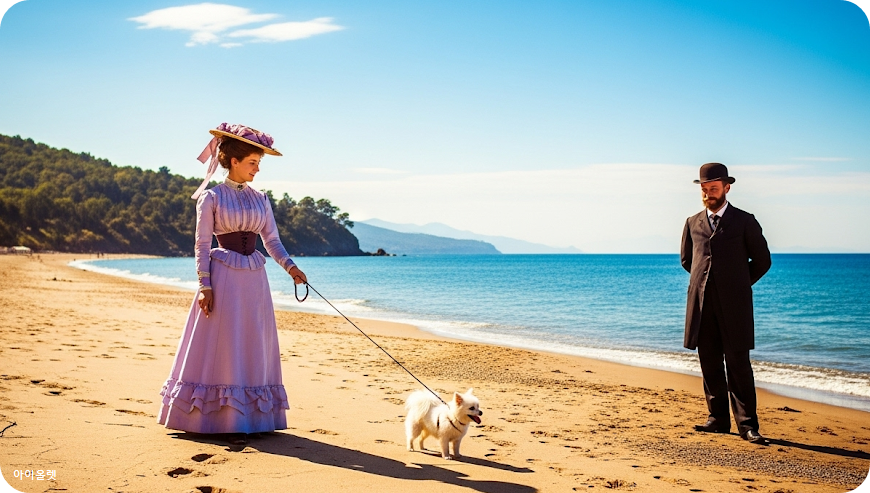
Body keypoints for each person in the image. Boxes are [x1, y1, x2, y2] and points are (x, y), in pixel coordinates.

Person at [158, 123, 307, 445]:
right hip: (223, 276)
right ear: (234, 161)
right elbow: (200, 245)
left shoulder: (261, 199)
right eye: (252, 162)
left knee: (254, 343)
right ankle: (215, 418)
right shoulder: (211, 197)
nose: (257, 169)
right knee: (224, 346)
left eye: (259, 164)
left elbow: (272, 241)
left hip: (255, 279)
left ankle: (254, 417)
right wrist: (204, 285)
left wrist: (292, 268)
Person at [680, 163, 771, 445]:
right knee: (709, 362)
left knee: (738, 365)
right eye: (705, 189)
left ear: (726, 188)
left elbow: (763, 261)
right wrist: (706, 284)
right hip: (702, 304)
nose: (708, 193)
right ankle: (717, 420)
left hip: (735, 307)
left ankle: (747, 425)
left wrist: (738, 285)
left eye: (713, 189)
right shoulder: (692, 222)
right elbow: (687, 261)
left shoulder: (745, 221)